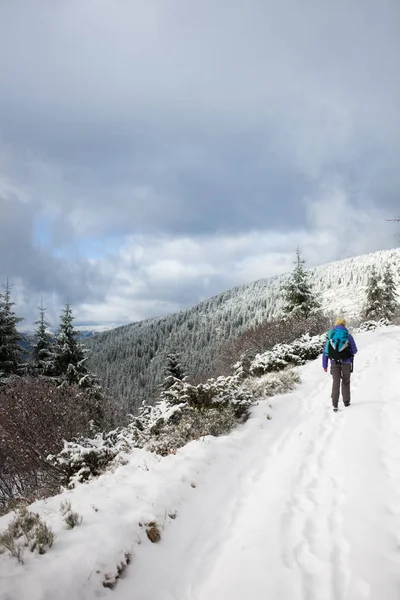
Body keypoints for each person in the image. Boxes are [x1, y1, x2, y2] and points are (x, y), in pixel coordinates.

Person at [322, 317, 358, 412]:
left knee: (336, 382)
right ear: (344, 325)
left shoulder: (330, 336)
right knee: (346, 381)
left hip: (334, 362)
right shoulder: (348, 336)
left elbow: (325, 352)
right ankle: (346, 402)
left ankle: (335, 404)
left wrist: (324, 365)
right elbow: (355, 351)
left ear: (336, 325)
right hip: (346, 362)